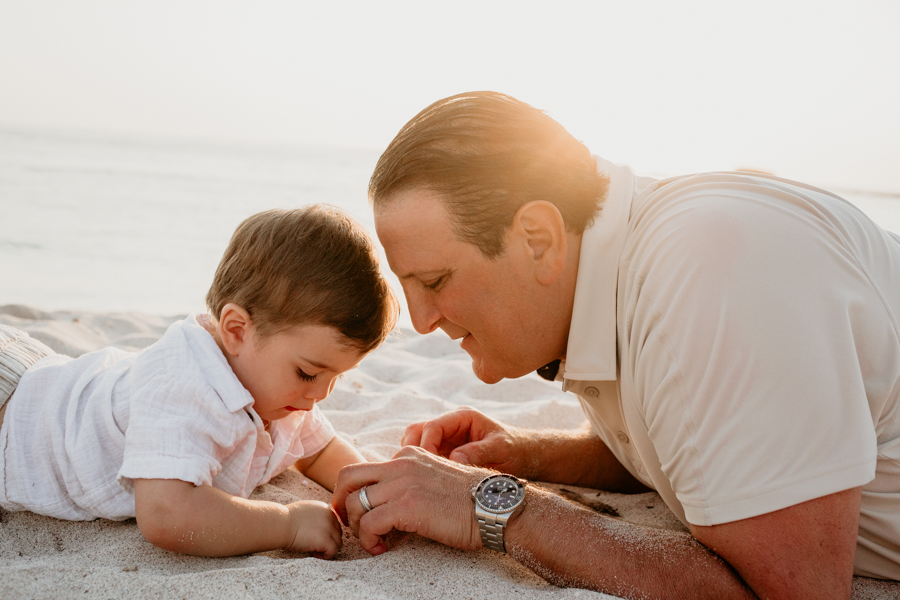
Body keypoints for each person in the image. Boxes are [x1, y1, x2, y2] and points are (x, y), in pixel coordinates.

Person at [332, 91, 900, 598]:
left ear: (539, 239)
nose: (422, 320)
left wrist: (491, 503)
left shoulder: (703, 276)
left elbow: (797, 591)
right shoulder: (616, 269)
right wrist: (530, 456)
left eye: (434, 282)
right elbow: (705, 452)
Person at [0, 205, 398, 559]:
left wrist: (374, 490)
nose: (320, 394)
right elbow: (165, 514)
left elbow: (318, 449)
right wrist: (287, 523)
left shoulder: (276, 389)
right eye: (309, 372)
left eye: (337, 377)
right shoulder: (182, 386)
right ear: (237, 330)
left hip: (42, 375)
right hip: (11, 412)